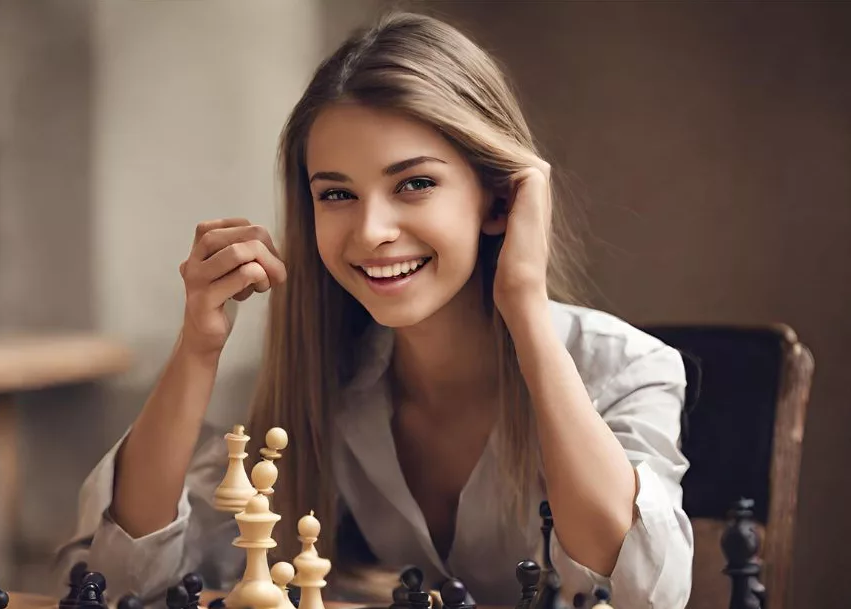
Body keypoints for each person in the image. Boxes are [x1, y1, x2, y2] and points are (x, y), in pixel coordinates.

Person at [58, 10, 693, 609]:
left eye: (414, 183)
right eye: (336, 193)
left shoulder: (629, 370)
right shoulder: (319, 379)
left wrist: (523, 301)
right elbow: (120, 585)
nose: (369, 232)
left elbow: (642, 595)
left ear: (501, 201)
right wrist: (197, 346)